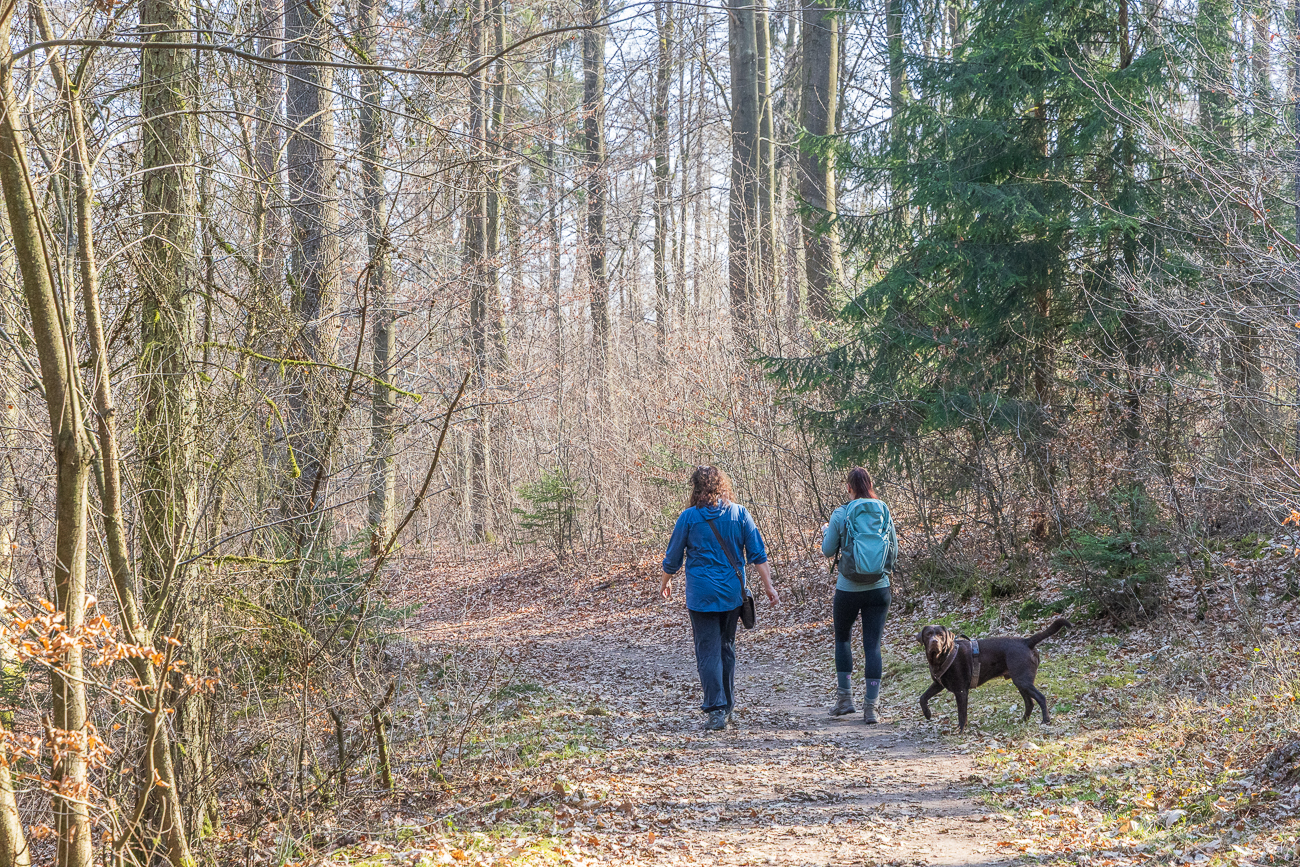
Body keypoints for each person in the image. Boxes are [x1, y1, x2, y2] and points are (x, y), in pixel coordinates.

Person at [661, 466, 780, 731]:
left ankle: (716, 709)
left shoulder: (688, 518)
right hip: (731, 595)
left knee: (708, 650)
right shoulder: (739, 514)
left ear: (696, 488)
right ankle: (727, 705)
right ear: (722, 485)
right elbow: (758, 554)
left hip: (701, 596)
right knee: (726, 647)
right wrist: (768, 586)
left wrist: (665, 582)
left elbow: (672, 558)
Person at [821, 467, 897, 724]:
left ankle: (845, 700)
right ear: (871, 484)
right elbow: (893, 550)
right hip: (879, 587)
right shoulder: (883, 509)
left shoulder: (841, 513)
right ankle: (871, 708)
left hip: (848, 588)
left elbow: (828, 550)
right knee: (872, 645)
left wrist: (826, 532)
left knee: (843, 639)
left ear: (848, 487)